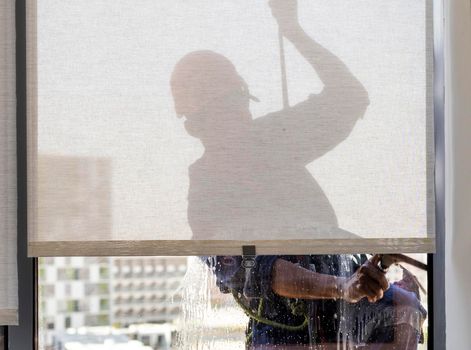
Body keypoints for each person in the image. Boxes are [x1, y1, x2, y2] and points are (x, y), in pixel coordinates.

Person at [170, 0, 426, 348]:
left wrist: (294, 31)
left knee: (403, 306)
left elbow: (349, 97)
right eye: (224, 109)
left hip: (351, 321)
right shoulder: (207, 198)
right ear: (196, 126)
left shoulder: (272, 139)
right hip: (288, 337)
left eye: (239, 101)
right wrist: (341, 287)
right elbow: (259, 271)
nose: (239, 115)